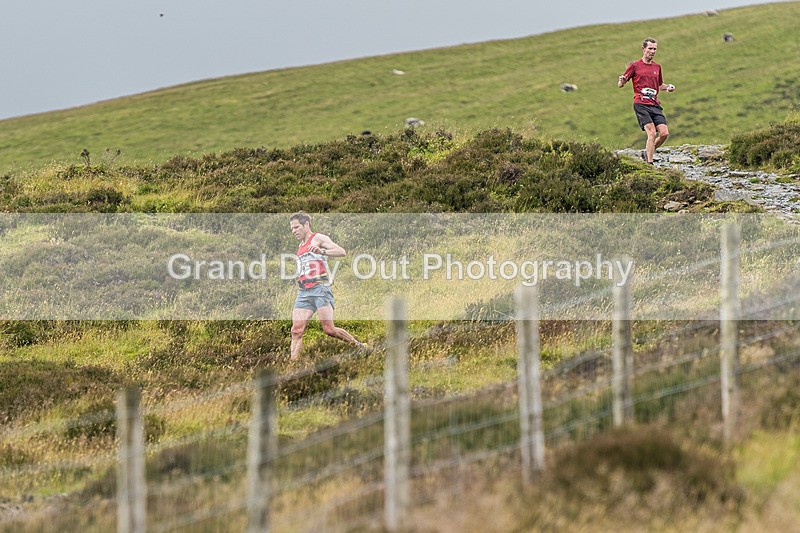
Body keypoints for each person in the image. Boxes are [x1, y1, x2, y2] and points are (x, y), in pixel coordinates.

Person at [289, 211, 364, 359]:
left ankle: (358, 346)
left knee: (329, 330)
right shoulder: (300, 245)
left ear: (306, 225)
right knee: (296, 330)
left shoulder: (317, 238)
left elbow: (341, 252)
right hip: (303, 292)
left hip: (320, 289)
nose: (294, 231)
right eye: (292, 228)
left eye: (296, 227)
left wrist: (322, 251)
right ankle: (292, 365)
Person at [618, 38, 676, 164]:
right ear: (643, 49)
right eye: (650, 48)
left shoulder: (657, 67)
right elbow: (621, 83)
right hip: (641, 103)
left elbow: (659, 85)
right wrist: (621, 81)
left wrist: (668, 87)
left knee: (664, 133)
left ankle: (647, 152)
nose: (653, 51)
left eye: (655, 49)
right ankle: (650, 163)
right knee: (652, 133)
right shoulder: (635, 66)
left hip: (654, 104)